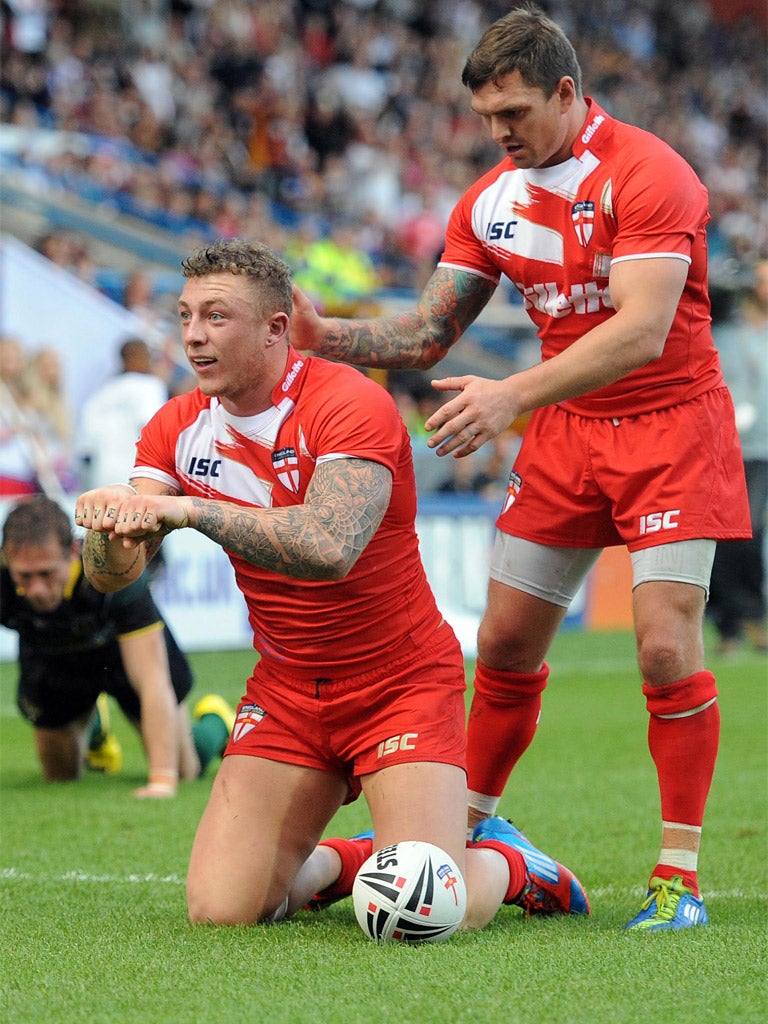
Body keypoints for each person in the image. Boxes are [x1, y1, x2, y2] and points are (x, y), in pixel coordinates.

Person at [288, 5, 752, 931]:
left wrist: (510, 396)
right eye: (487, 117)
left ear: (569, 93)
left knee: (664, 648)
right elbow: (426, 332)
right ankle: (472, 837)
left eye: (515, 114)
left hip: (670, 429)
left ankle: (677, 878)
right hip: (564, 435)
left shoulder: (651, 171)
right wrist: (326, 334)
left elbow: (643, 330)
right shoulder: (489, 200)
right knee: (501, 645)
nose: (499, 133)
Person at [74, 237, 590, 931]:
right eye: (186, 314)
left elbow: (328, 547)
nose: (193, 334)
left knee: (428, 913)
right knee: (223, 913)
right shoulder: (175, 425)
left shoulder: (349, 403)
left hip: (398, 683)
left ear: (276, 328)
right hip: (287, 690)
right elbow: (115, 577)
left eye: (217, 317)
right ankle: (350, 862)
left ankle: (516, 864)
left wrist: (189, 509)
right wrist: (106, 530)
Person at [1, 494, 232, 798]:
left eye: (47, 574)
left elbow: (152, 679)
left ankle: (217, 721)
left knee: (184, 769)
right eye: (25, 577)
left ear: (73, 551)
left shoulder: (112, 573)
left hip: (124, 658)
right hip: (53, 658)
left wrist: (161, 780)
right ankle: (96, 730)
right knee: (59, 776)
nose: (36, 590)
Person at [708, 261, 768, 656]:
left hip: (763, 449)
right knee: (732, 535)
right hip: (730, 448)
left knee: (750, 534)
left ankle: (745, 617)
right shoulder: (724, 331)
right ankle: (734, 621)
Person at [78, 337, 168, 490]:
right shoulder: (150, 386)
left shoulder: (104, 391)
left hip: (102, 475)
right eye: (146, 356)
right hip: (137, 474)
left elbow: (86, 444)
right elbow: (152, 430)